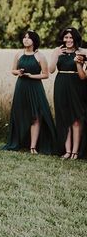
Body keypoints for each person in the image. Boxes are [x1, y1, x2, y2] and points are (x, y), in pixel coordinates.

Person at [2, 30, 57, 155]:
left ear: (34, 41)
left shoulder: (40, 56)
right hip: (21, 87)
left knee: (35, 116)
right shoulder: (18, 54)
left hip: (35, 88)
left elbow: (46, 75)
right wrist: (19, 73)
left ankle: (33, 147)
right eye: (24, 37)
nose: (25, 39)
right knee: (20, 114)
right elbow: (13, 70)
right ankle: (20, 142)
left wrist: (31, 76)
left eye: (29, 38)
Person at [49, 27, 87, 159]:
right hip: (61, 84)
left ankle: (75, 151)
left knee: (76, 119)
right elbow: (51, 70)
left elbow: (83, 76)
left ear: (75, 38)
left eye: (71, 37)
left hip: (76, 85)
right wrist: (55, 55)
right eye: (66, 37)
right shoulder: (58, 51)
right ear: (63, 38)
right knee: (64, 118)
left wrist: (78, 63)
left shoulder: (82, 52)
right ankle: (67, 150)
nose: (68, 40)